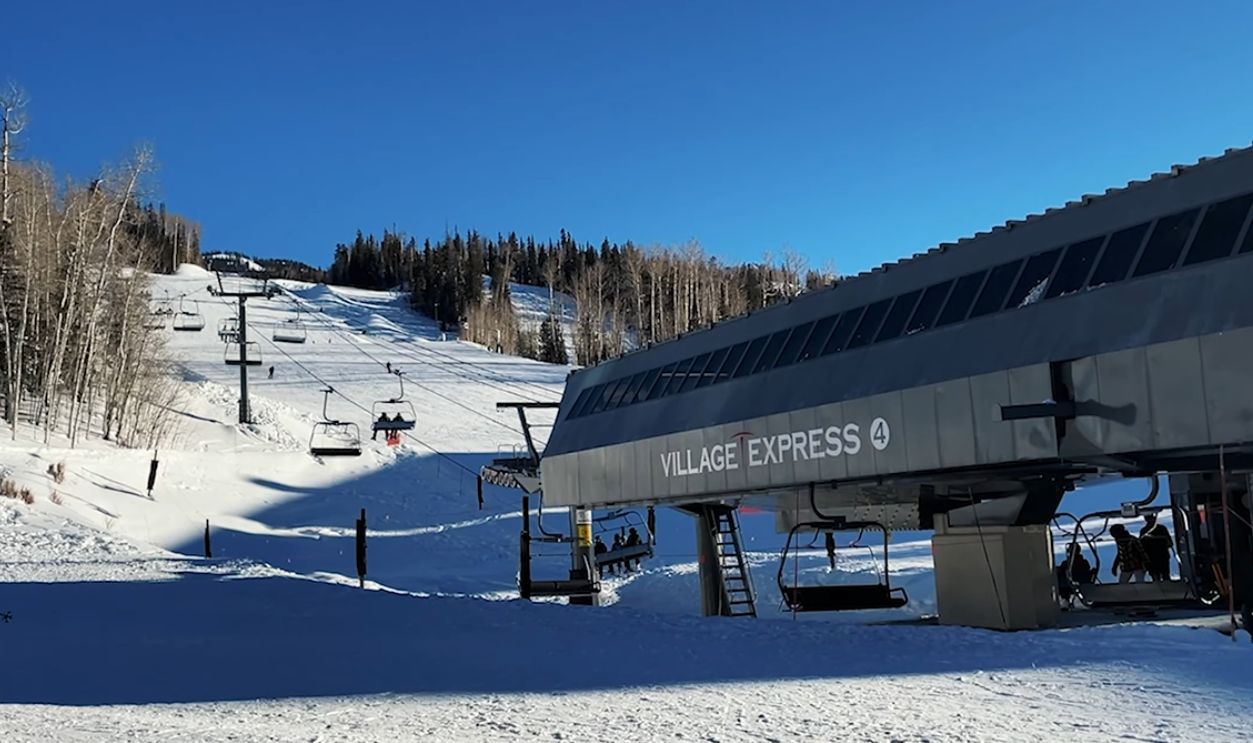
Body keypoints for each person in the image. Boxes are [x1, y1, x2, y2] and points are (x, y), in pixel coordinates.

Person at [1139, 512, 1173, 582]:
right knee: (1162, 576)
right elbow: (1169, 543)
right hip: (1157, 556)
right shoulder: (1161, 528)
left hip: (1158, 556)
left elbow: (1141, 547)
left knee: (1160, 576)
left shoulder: (1144, 531)